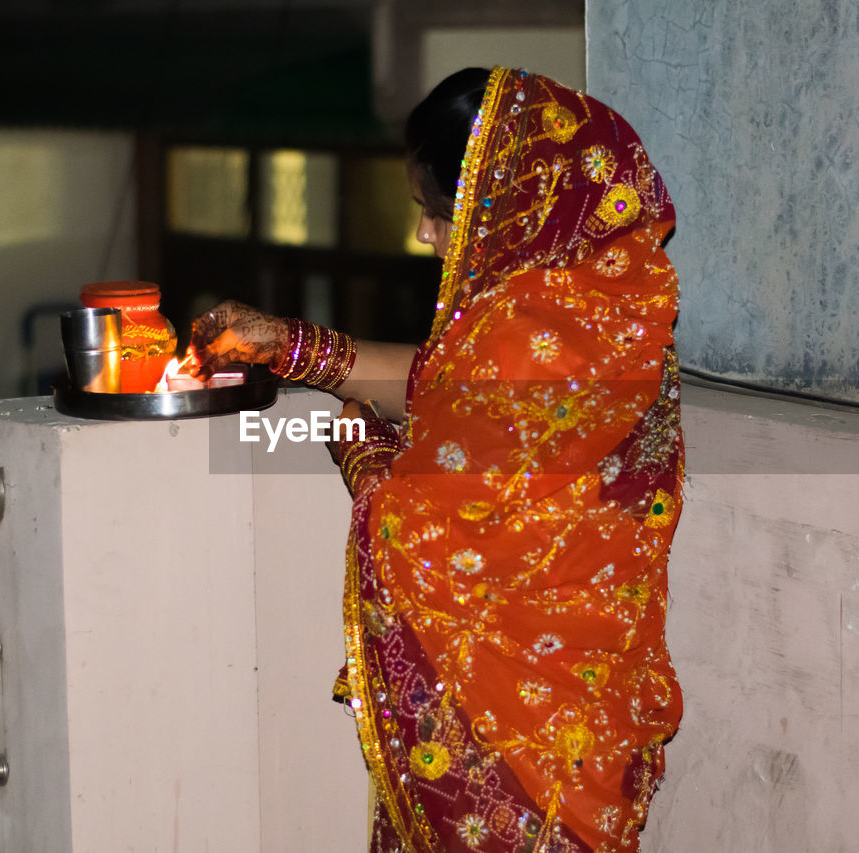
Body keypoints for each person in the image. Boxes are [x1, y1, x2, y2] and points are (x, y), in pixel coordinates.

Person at [191, 66, 684, 852]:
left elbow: (426, 534)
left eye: (436, 213)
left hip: (514, 738)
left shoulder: (533, 332)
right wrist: (289, 343)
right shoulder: (597, 297)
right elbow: (444, 388)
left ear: (505, 205)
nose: (425, 236)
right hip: (590, 711)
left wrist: (365, 460)